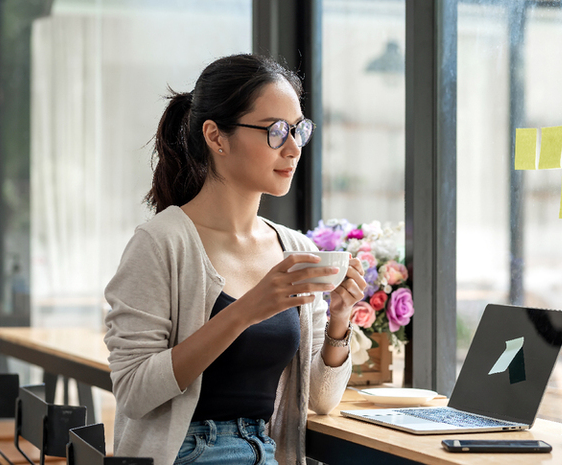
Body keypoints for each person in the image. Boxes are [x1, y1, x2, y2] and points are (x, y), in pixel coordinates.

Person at [104, 53, 366, 465]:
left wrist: (339, 319)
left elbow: (321, 400)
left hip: (266, 451)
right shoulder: (161, 243)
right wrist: (244, 312)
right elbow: (134, 391)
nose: (294, 147)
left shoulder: (298, 250)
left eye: (299, 130)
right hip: (187, 452)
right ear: (217, 137)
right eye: (276, 131)